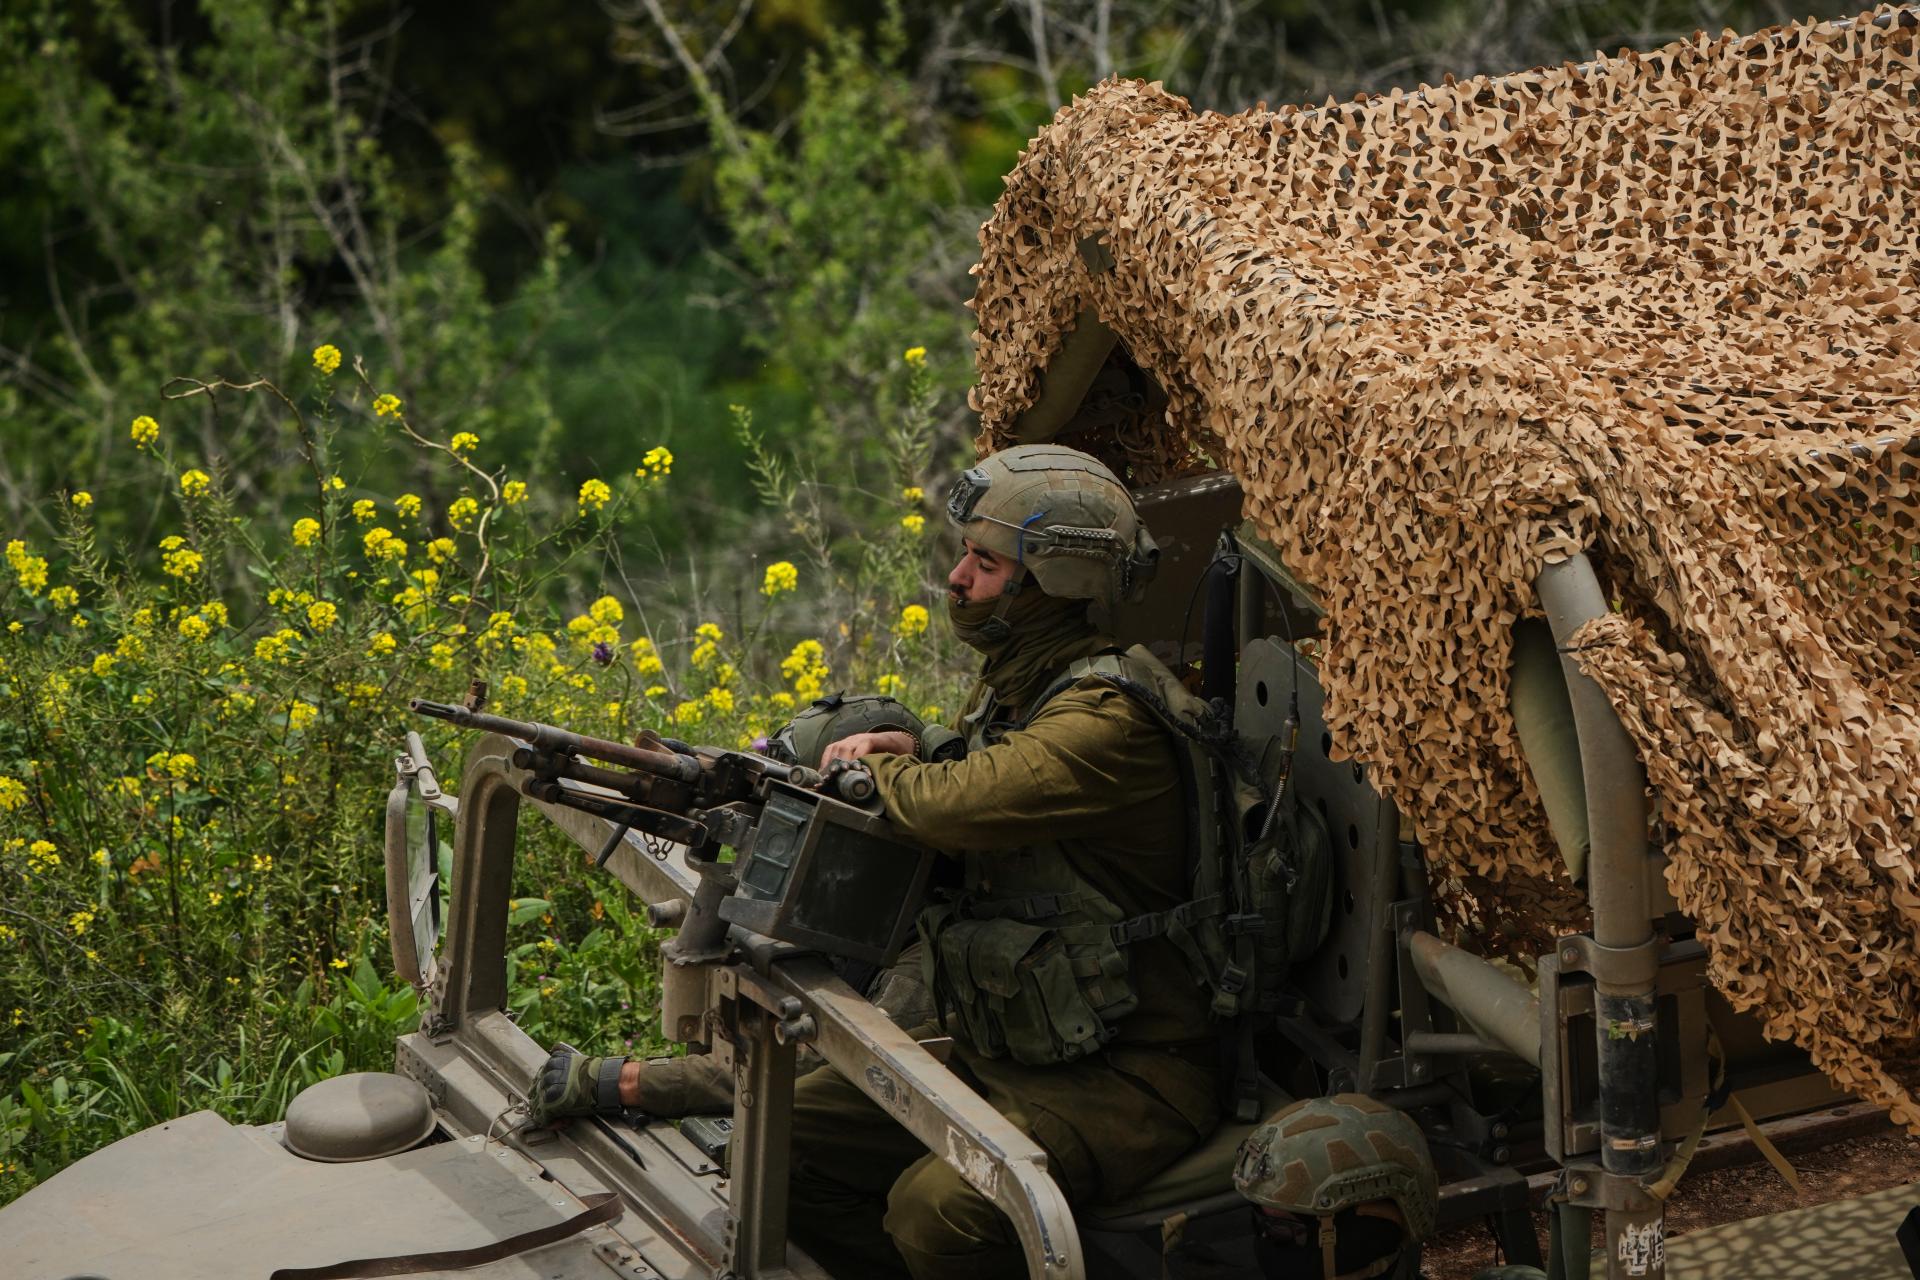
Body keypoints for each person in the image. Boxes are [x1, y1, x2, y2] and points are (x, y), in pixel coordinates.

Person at [544, 443, 1218, 1278]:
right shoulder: (1032, 685)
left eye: (985, 562)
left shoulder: (1112, 717)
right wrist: (920, 741)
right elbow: (982, 768)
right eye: (965, 556)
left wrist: (880, 771)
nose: (959, 582)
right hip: (1009, 1045)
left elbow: (966, 800)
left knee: (934, 1216)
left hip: (1128, 1077)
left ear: (1055, 582)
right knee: (773, 1143)